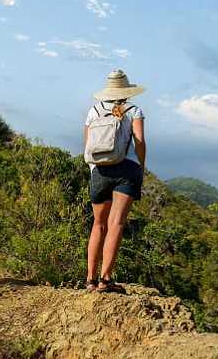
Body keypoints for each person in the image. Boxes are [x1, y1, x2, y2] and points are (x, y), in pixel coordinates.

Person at [84, 69, 146, 293]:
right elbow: (139, 141)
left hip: (100, 170)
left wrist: (94, 169)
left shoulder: (94, 111)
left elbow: (88, 145)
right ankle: (105, 280)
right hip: (126, 170)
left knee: (98, 224)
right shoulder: (134, 110)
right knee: (116, 223)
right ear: (127, 90)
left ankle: (90, 280)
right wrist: (141, 165)